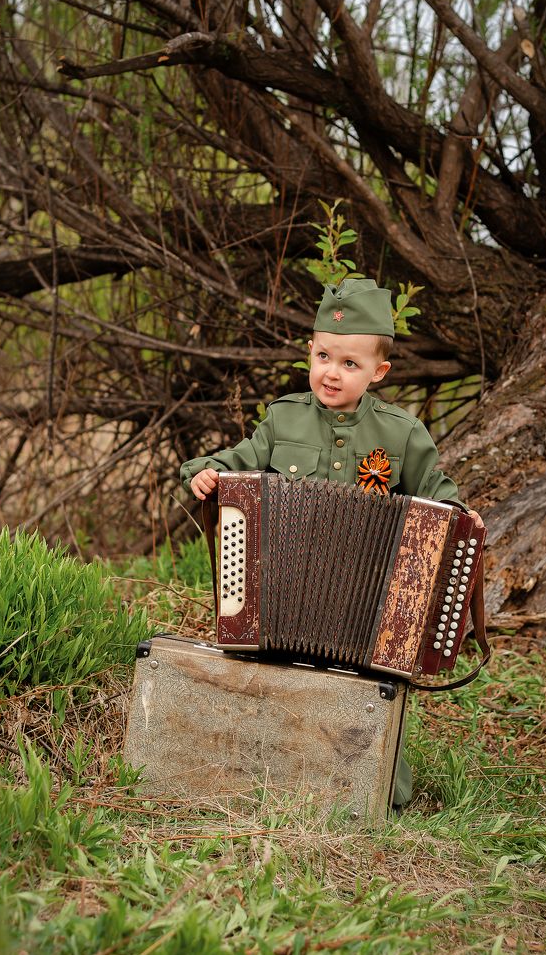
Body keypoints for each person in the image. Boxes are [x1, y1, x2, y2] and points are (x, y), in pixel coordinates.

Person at [180, 277, 483, 807]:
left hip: (364, 608)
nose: (332, 373)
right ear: (310, 353)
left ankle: (374, 783)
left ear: (378, 372)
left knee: (369, 692)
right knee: (269, 683)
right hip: (283, 591)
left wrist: (460, 518)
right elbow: (237, 462)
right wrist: (206, 472)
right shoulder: (283, 417)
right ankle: (270, 770)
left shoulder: (404, 434)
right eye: (324, 356)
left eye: (350, 364)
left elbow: (440, 501)